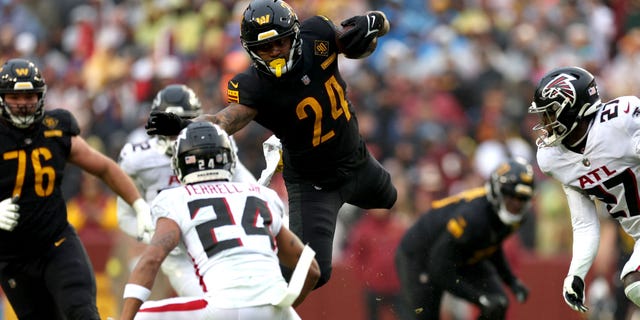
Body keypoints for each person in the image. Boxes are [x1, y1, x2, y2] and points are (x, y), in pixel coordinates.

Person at [145, 0, 397, 289]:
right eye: (266, 47)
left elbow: (363, 40)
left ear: (296, 34)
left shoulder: (317, 35)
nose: (275, 52)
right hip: (313, 183)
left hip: (356, 159)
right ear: (251, 50)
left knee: (389, 197)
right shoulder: (255, 86)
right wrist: (184, 125)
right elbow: (224, 121)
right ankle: (258, 281)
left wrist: (374, 23)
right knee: (311, 272)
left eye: (281, 42)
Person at [120, 122, 320, 319]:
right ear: (229, 158)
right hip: (274, 307)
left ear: (179, 163)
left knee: (141, 315)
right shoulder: (262, 194)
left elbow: (151, 261)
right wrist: (283, 309)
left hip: (223, 309)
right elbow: (311, 269)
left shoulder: (174, 198)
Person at [0, 58, 151, 319]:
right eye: (15, 96)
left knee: (81, 311)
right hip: (13, 255)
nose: (23, 103)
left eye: (29, 95)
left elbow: (104, 167)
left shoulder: (54, 129)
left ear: (41, 96)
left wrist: (138, 203)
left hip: (55, 243)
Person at [116, 83, 260, 298]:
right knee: (202, 297)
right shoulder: (138, 158)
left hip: (212, 237)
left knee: (227, 296)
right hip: (173, 247)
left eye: (181, 125)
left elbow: (248, 186)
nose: (176, 135)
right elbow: (125, 214)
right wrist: (153, 237)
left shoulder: (217, 143)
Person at [528, 66, 640, 313]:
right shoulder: (553, 158)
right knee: (634, 284)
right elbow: (585, 224)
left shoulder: (621, 121)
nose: (544, 125)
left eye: (549, 115)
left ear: (571, 109)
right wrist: (576, 273)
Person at [395, 158, 533, 320]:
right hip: (422, 256)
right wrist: (478, 297)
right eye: (510, 195)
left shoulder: (515, 217)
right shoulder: (473, 216)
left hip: (461, 253)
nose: (516, 204)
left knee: (497, 304)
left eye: (522, 198)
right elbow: (438, 268)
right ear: (497, 191)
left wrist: (511, 281)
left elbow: (492, 245)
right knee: (425, 316)